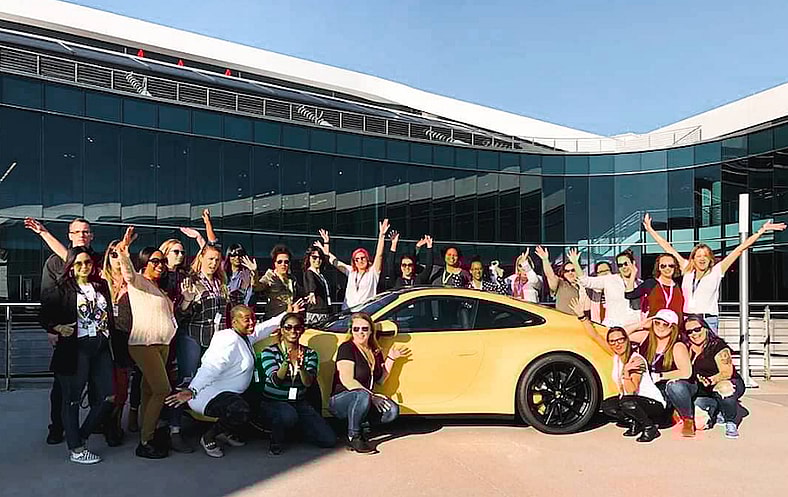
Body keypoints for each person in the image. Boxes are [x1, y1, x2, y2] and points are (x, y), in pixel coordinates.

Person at [165, 303, 303, 458]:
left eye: (253, 318)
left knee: (257, 399)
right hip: (209, 395)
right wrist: (192, 390)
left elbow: (262, 329)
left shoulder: (244, 336)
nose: (252, 323)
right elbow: (210, 368)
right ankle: (209, 437)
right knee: (240, 410)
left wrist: (286, 314)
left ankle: (227, 431)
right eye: (246, 320)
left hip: (231, 394)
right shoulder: (228, 341)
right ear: (234, 322)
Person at [642, 213, 786, 333]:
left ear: (710, 258)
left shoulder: (717, 271)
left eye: (705, 255)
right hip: (687, 319)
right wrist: (650, 229)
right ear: (693, 258)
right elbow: (668, 248)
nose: (702, 259)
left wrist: (761, 231)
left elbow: (739, 249)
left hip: (708, 320)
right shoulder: (687, 269)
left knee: (709, 357)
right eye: (698, 256)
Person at [26, 217, 98, 446]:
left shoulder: (97, 260)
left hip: (95, 334)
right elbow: (48, 297)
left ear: (91, 235)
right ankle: (57, 427)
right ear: (69, 235)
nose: (82, 235)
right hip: (67, 333)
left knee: (97, 383)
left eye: (86, 232)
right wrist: (50, 328)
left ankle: (99, 424)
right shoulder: (54, 262)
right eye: (77, 232)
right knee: (62, 386)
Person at [40, 247, 115, 464]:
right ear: (71, 266)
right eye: (79, 263)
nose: (84, 267)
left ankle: (80, 435)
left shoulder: (100, 286)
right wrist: (57, 327)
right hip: (76, 349)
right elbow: (44, 314)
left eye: (88, 263)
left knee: (108, 397)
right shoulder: (63, 288)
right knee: (71, 399)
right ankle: (77, 449)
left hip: (101, 346)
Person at [116, 227, 178, 458]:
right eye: (155, 261)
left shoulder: (158, 289)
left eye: (162, 261)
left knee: (149, 389)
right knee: (162, 389)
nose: (160, 265)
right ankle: (145, 441)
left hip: (161, 344)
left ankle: (146, 430)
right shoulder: (139, 282)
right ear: (145, 263)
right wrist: (124, 249)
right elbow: (128, 274)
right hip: (144, 344)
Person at [569, 298, 665, 442]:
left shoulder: (636, 361)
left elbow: (632, 390)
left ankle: (649, 427)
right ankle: (635, 422)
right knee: (607, 405)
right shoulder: (616, 355)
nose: (617, 344)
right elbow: (595, 336)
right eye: (613, 341)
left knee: (626, 402)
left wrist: (626, 372)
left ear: (627, 340)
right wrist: (582, 316)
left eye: (621, 340)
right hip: (633, 401)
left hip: (653, 404)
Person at [171, 244, 229, 452]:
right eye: (210, 259)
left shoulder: (221, 282)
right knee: (187, 379)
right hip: (193, 336)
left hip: (215, 339)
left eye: (216, 260)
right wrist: (186, 302)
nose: (213, 263)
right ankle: (174, 429)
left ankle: (215, 427)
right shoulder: (192, 281)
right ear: (202, 258)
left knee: (213, 380)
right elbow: (179, 314)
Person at [255, 312, 336, 455]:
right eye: (288, 327)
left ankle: (299, 429)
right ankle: (276, 438)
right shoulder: (270, 351)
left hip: (299, 402)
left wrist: (301, 367)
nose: (293, 331)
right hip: (273, 401)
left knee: (328, 440)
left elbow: (308, 382)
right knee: (288, 415)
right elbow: (276, 381)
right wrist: (286, 362)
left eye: (297, 327)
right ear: (281, 330)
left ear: (302, 330)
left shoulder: (310, 353)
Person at [329, 312, 410, 454]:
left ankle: (357, 423)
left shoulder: (375, 351)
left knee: (392, 411)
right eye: (356, 329)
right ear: (351, 331)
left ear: (371, 330)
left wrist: (391, 358)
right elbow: (347, 380)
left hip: (363, 398)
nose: (360, 333)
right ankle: (354, 436)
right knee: (362, 395)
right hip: (341, 400)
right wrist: (372, 396)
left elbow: (380, 380)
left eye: (364, 329)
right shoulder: (347, 348)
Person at [624, 309, 696, 437]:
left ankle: (688, 419)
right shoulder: (646, 337)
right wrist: (642, 323)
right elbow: (621, 335)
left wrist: (660, 376)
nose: (660, 327)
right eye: (657, 323)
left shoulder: (677, 346)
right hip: (653, 387)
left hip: (673, 385)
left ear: (672, 327)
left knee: (674, 387)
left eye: (665, 324)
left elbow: (686, 372)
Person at [685, 315, 745, 439]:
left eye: (697, 329)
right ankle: (716, 409)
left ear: (706, 328)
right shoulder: (687, 348)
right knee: (700, 424)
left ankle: (731, 421)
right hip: (704, 391)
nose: (694, 334)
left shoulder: (718, 346)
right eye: (689, 332)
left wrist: (711, 380)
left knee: (724, 389)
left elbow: (727, 372)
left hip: (726, 383)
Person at [100, 240, 132, 447]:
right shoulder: (100, 279)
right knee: (104, 384)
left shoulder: (133, 280)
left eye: (120, 253)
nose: (116, 257)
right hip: (104, 338)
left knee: (122, 384)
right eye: (113, 253)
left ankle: (115, 422)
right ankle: (104, 420)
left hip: (126, 338)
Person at [317, 221, 389, 310]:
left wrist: (381, 236)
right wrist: (324, 246)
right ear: (354, 261)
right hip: (347, 311)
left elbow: (379, 255)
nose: (360, 261)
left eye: (363, 258)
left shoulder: (373, 272)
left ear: (367, 259)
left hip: (364, 311)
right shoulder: (351, 271)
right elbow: (335, 262)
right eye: (357, 259)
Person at [572, 248, 642, 328]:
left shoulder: (640, 284)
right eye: (620, 265)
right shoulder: (609, 279)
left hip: (635, 327)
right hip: (613, 327)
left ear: (633, 263)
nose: (623, 267)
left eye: (626, 264)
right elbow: (585, 281)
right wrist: (575, 263)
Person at [624, 253, 684, 322]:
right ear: (658, 268)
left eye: (671, 266)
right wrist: (633, 273)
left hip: (675, 327)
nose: (667, 268)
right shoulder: (650, 283)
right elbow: (629, 294)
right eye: (663, 266)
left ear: (675, 267)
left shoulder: (679, 284)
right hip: (656, 326)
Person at [536, 246, 589, 314]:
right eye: (566, 271)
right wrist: (545, 260)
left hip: (583, 320)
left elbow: (582, 277)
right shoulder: (561, 284)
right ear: (563, 273)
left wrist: (575, 262)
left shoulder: (585, 284)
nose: (570, 273)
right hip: (565, 321)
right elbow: (550, 276)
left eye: (573, 270)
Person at [258, 244, 301, 319]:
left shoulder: (292, 279)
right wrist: (254, 273)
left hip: (288, 318)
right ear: (275, 263)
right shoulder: (270, 276)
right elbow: (257, 286)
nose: (283, 265)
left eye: (286, 262)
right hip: (273, 319)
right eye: (279, 262)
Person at [224, 243, 258, 310]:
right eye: (233, 255)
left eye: (240, 255)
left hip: (242, 310)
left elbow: (254, 285)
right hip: (226, 310)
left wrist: (254, 272)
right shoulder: (223, 274)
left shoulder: (247, 274)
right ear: (229, 256)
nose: (237, 257)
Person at [302, 246, 331, 324]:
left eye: (320, 258)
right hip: (315, 312)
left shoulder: (320, 274)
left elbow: (327, 258)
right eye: (314, 257)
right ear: (309, 258)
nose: (318, 260)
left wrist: (326, 243)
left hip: (324, 311)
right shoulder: (309, 272)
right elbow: (312, 283)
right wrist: (312, 292)